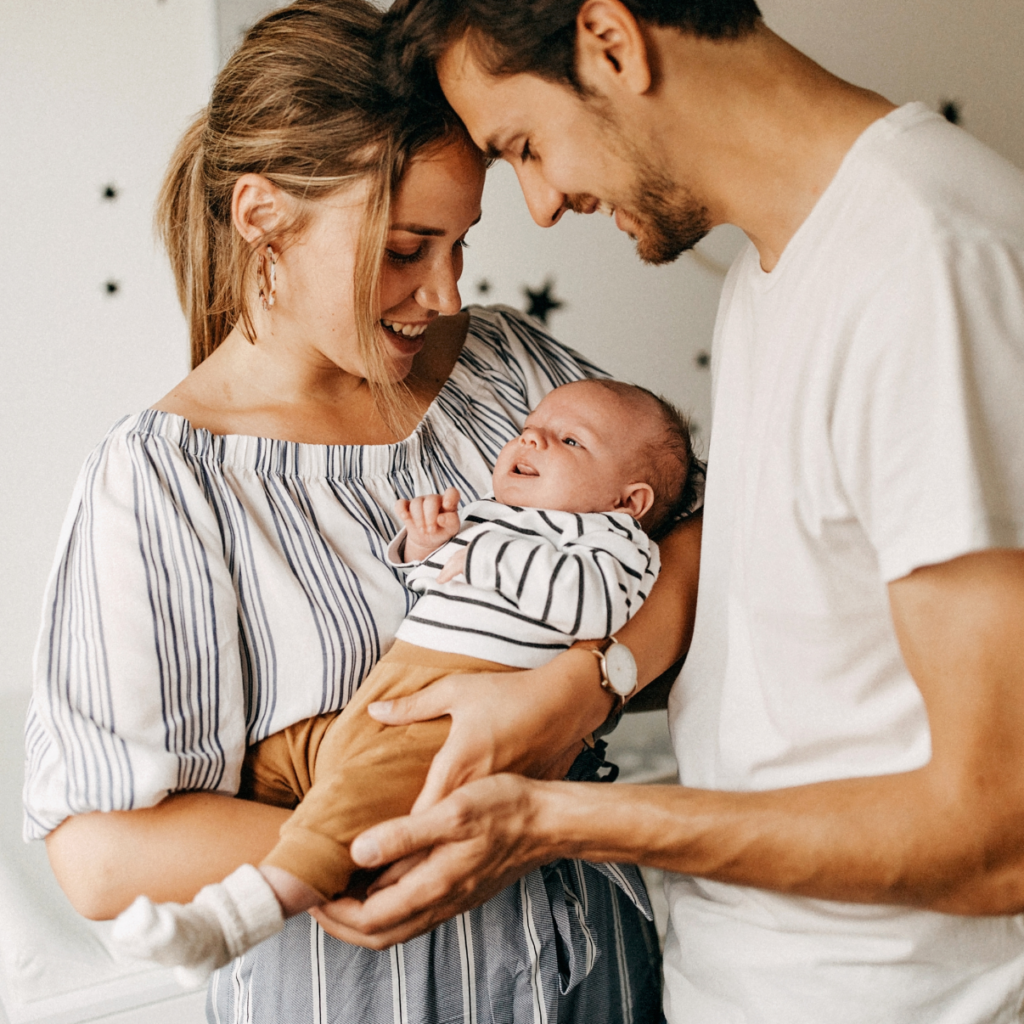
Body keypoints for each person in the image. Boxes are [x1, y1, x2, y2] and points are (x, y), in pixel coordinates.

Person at [313, 2, 1024, 1022]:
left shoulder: (932, 269)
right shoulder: (769, 275)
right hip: (740, 978)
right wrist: (580, 681)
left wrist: (558, 816)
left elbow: (1000, 834)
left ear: (611, 41)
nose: (545, 203)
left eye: (523, 146)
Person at [23, 2, 704, 1021]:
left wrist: (584, 685)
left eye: (460, 245)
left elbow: (700, 537)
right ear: (262, 217)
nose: (442, 291)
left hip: (597, 964)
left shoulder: (509, 368)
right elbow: (102, 851)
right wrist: (456, 831)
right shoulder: (167, 479)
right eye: (404, 249)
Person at [109, 377, 695, 984]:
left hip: (452, 719)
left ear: (630, 502)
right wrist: (427, 546)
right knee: (273, 757)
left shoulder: (615, 545)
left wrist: (482, 552)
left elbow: (587, 608)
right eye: (530, 428)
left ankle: (231, 923)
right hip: (387, 696)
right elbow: (435, 585)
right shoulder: (491, 517)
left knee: (352, 803)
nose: (533, 439)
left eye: (569, 439)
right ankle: (228, 870)